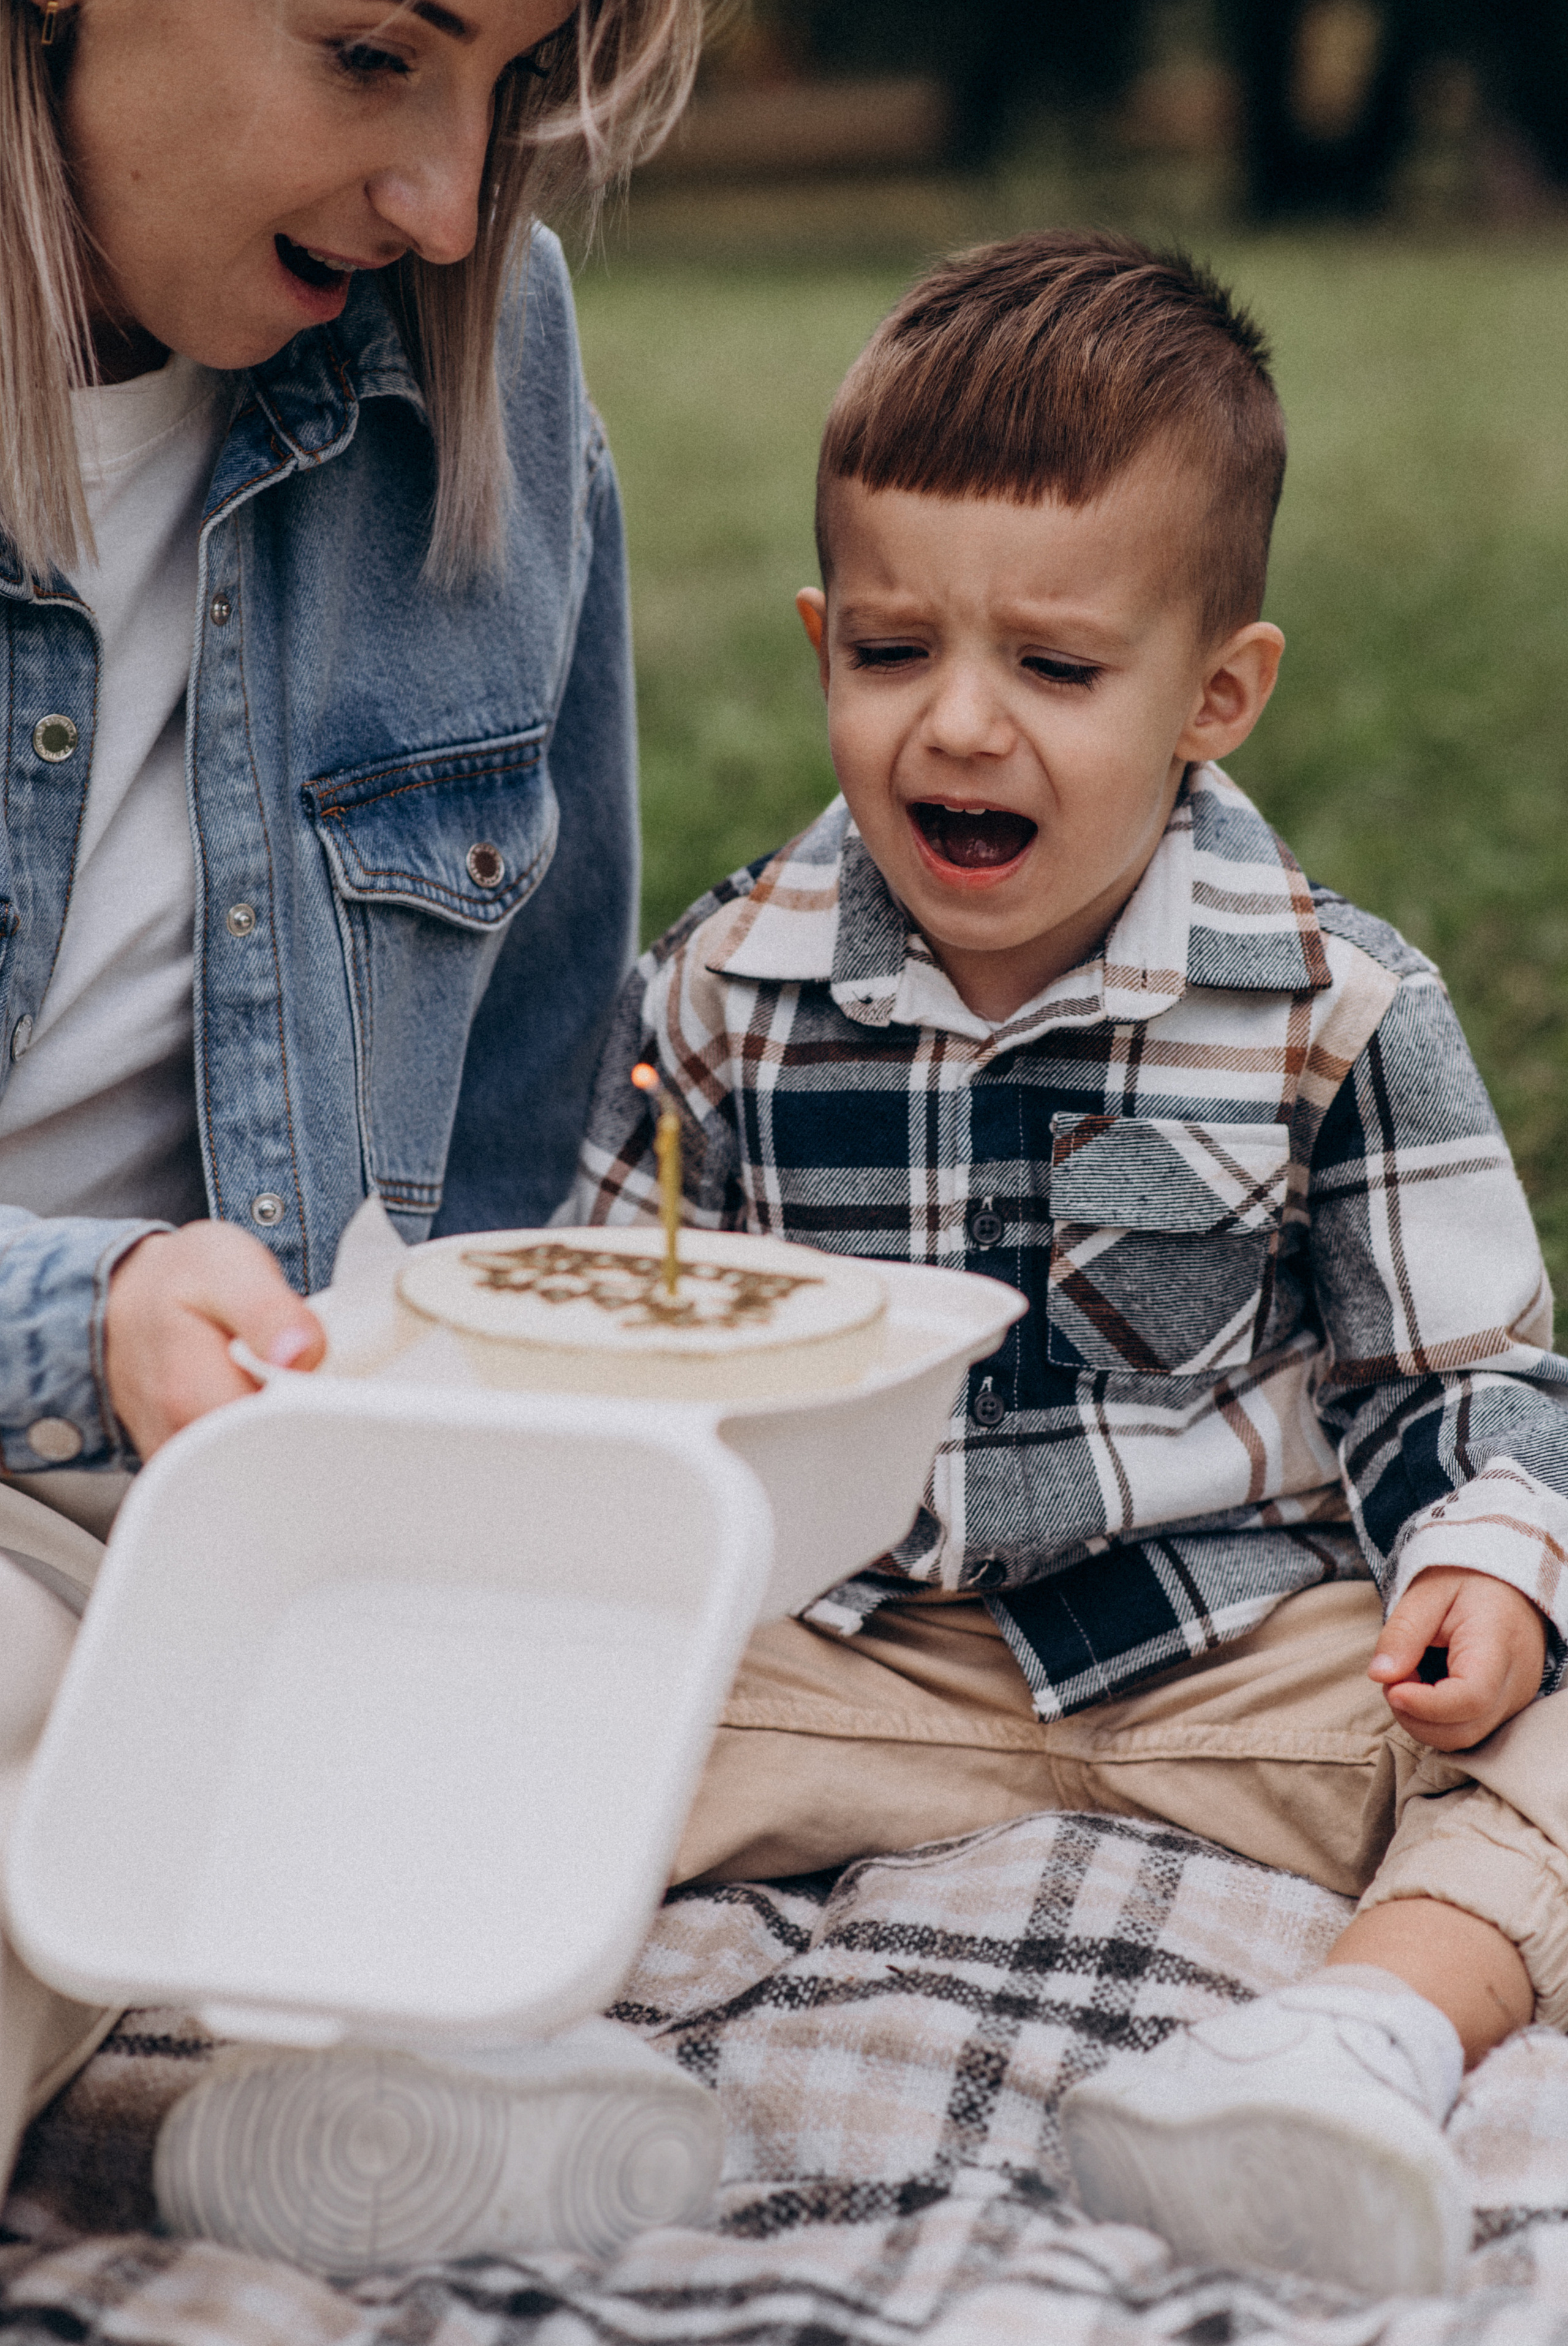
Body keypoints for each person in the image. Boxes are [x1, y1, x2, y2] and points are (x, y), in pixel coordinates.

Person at [575, 230, 1568, 2298]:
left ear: (1217, 694)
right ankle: (481, 2064)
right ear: (817, 639)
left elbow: (1451, 1372)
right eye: (886, 650)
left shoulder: (1327, 1005)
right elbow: (622, 1317)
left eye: (1053, 665)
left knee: (1563, 1710)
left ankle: (1358, 2034)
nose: (958, 728)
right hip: (847, 1665)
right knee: (507, 1682)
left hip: (1237, 1666)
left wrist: (1482, 1561)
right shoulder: (731, 991)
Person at [0, 0, 705, 2197]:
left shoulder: (487, 352)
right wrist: (77, 1318)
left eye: (509, 90)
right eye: (375, 56)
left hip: (213, 1533)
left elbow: (514, 1094)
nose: (443, 200)